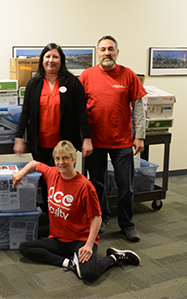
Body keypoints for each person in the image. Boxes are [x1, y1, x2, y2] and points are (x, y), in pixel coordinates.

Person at [12, 140, 140, 281]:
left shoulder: (85, 186)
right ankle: (69, 263)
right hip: (58, 240)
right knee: (25, 248)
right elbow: (35, 164)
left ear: (74, 159)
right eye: (57, 159)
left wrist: (89, 245)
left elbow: (97, 218)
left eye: (66, 158)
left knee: (88, 274)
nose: (61, 163)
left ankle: (114, 258)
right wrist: (21, 173)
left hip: (80, 240)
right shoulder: (52, 173)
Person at [79, 35, 147, 242]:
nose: (107, 52)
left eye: (111, 49)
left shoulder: (128, 75)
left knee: (126, 186)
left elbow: (138, 108)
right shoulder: (86, 76)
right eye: (103, 49)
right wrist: (82, 138)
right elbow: (79, 110)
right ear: (97, 53)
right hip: (95, 142)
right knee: (97, 185)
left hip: (122, 142)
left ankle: (127, 224)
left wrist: (140, 136)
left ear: (117, 51)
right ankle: (103, 219)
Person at [14, 43, 93, 214]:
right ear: (42, 60)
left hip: (64, 145)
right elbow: (25, 112)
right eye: (47, 56)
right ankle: (51, 219)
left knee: (65, 181)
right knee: (45, 182)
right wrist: (19, 137)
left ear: (61, 60)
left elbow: (82, 112)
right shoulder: (33, 84)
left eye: (55, 57)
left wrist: (86, 139)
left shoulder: (73, 83)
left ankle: (69, 216)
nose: (51, 60)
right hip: (41, 144)